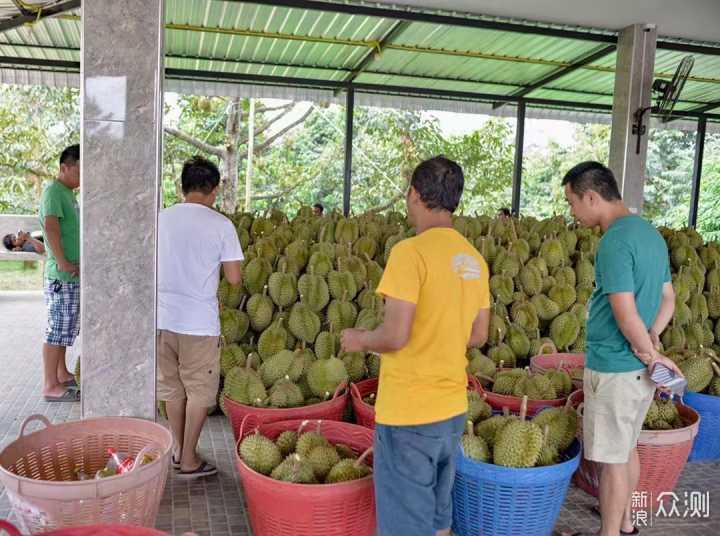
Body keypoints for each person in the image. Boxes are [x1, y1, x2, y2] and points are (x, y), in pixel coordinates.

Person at [341, 155, 490, 536]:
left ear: (414, 195)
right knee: (438, 516)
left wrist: (359, 340)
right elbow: (478, 335)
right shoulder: (474, 260)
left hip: (409, 412)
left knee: (407, 523)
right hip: (451, 409)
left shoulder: (409, 253)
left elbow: (394, 336)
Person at [562, 161, 682, 536]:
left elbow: (624, 311)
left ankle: (609, 532)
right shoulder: (650, 234)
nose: (571, 212)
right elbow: (668, 300)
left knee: (612, 460)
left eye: (572, 202)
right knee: (626, 448)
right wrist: (653, 340)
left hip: (616, 366)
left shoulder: (614, 242)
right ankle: (626, 523)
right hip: (637, 371)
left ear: (592, 197)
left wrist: (649, 351)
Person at [157, 156, 243, 479]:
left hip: (162, 319)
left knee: (173, 389)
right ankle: (190, 459)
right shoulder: (221, 225)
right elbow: (234, 278)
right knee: (199, 392)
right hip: (199, 323)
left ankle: (179, 449)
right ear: (214, 190)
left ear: (182, 187)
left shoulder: (161, 218)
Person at [39, 144, 81, 402]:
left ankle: (61, 373)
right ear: (64, 167)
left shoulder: (68, 192)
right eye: (78, 170)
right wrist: (63, 262)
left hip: (70, 274)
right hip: (62, 275)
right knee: (56, 329)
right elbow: (51, 228)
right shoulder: (54, 191)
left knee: (66, 328)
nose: (82, 176)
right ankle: (50, 384)